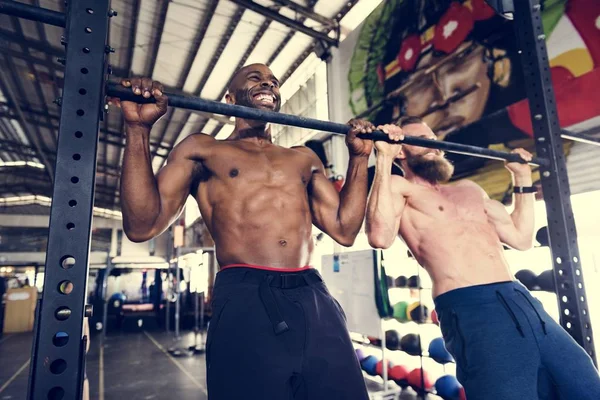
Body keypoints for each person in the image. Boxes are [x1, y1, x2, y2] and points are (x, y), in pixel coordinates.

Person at [115, 63, 372, 399]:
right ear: (229, 97)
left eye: (273, 82)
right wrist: (138, 129)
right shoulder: (203, 149)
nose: (268, 83)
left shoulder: (304, 158)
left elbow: (345, 229)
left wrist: (359, 159)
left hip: (312, 294)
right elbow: (141, 225)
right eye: (255, 78)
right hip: (246, 295)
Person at [365, 116, 600, 399]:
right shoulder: (399, 188)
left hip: (521, 300)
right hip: (471, 307)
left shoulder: (469, 190)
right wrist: (383, 158)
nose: (436, 147)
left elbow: (521, 238)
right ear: (401, 149)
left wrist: (521, 177)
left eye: (436, 140)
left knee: (584, 385)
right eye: (424, 141)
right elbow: (379, 237)